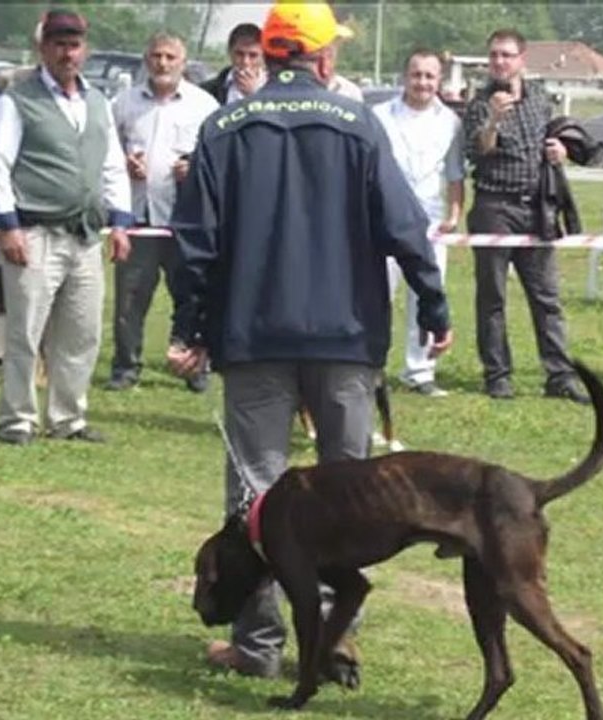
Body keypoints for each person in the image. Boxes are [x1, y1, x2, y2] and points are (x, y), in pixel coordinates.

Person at [167, 1, 452, 678]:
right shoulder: (360, 124)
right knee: (347, 501)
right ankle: (335, 644)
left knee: (255, 499)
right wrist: (433, 306)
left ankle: (257, 647)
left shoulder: (223, 126)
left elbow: (195, 245)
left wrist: (190, 327)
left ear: (268, 55)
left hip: (254, 337)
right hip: (346, 340)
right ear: (324, 58)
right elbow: (405, 229)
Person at [0, 8, 132, 445]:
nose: (68, 53)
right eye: (59, 44)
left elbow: (112, 167)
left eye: (75, 44)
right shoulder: (17, 99)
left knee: (81, 334)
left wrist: (121, 222)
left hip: (85, 236)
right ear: (43, 47)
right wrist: (8, 227)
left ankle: (69, 419)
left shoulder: (97, 102)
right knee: (25, 333)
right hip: (34, 233)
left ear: (84, 49)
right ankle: (18, 420)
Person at [462, 28, 587, 403]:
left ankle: (560, 376)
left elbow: (552, 142)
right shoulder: (479, 103)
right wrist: (494, 121)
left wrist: (560, 151)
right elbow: (479, 151)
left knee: (546, 297)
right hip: (493, 206)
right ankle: (498, 374)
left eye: (506, 55)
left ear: (522, 59)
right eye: (494, 55)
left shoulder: (541, 100)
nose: (499, 61)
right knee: (492, 298)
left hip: (535, 207)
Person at [106, 32, 218, 393]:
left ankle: (194, 366)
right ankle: (125, 368)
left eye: (171, 57)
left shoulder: (204, 106)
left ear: (183, 62)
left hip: (185, 221)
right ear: (146, 58)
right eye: (156, 56)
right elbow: (106, 153)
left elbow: (219, 161)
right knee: (129, 300)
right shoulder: (123, 103)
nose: (163, 63)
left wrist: (195, 167)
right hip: (138, 220)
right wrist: (124, 162)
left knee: (191, 300)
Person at [374, 49, 463, 396]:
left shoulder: (450, 122)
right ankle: (370, 365)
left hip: (430, 224)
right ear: (404, 77)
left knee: (425, 297)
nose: (422, 82)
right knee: (376, 296)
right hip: (384, 222)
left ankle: (420, 371)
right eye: (416, 75)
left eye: (429, 76)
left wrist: (455, 214)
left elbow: (454, 173)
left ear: (438, 81)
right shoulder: (379, 116)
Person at [200, 23, 266, 105]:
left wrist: (255, 95)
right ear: (230, 52)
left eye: (253, 55)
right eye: (239, 54)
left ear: (264, 56)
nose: (245, 61)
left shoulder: (278, 92)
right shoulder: (207, 91)